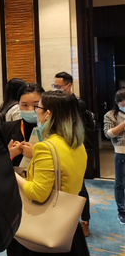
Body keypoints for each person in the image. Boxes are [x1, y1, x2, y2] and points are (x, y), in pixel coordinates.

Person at [8, 90, 91, 256]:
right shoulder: (77, 144)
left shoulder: (46, 147)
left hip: (44, 230)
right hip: (68, 226)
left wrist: (12, 174)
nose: (35, 111)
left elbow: (38, 193)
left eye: (38, 107)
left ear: (48, 114)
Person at [53, 71, 93, 237]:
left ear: (69, 86)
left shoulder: (78, 104)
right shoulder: (56, 102)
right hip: (59, 148)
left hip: (75, 148)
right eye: (54, 86)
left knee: (80, 187)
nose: (56, 89)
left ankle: (85, 221)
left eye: (58, 86)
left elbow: (77, 129)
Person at [3, 83, 45, 167]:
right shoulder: (6, 128)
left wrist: (37, 153)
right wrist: (9, 155)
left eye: (36, 105)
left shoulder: (54, 129)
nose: (30, 109)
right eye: (24, 105)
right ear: (18, 104)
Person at [104, 89, 125, 224]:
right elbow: (109, 134)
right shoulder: (111, 115)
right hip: (121, 152)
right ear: (118, 103)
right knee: (120, 184)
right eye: (123, 104)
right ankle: (122, 211)